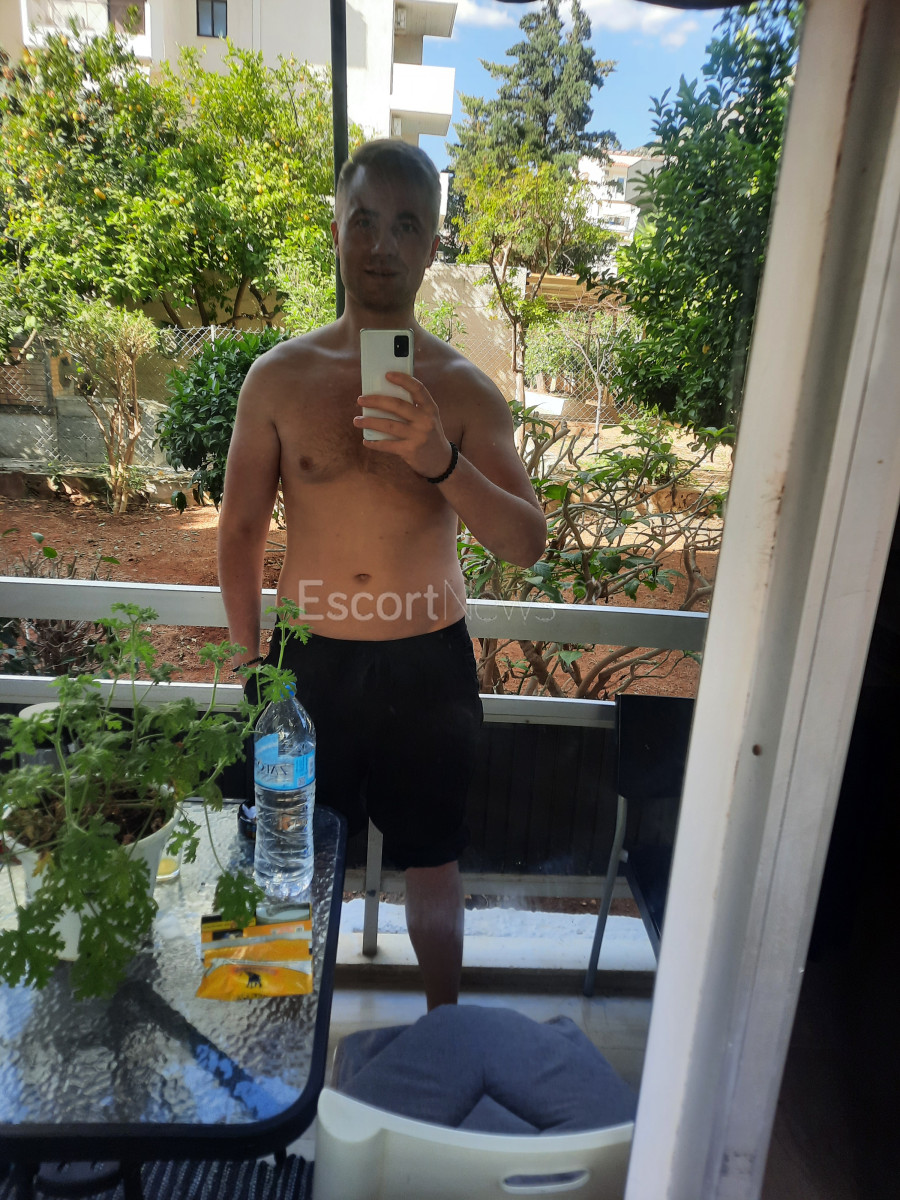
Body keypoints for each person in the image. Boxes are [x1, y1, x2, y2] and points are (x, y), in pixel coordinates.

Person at [217, 139, 547, 1010]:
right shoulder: (278, 378)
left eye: (406, 226)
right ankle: (266, 1044)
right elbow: (240, 531)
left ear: (433, 245)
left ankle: (446, 1028)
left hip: (427, 662)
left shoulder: (465, 390)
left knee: (434, 862)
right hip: (304, 667)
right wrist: (251, 665)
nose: (381, 244)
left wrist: (440, 460)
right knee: (277, 852)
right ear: (335, 230)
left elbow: (526, 543)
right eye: (363, 221)